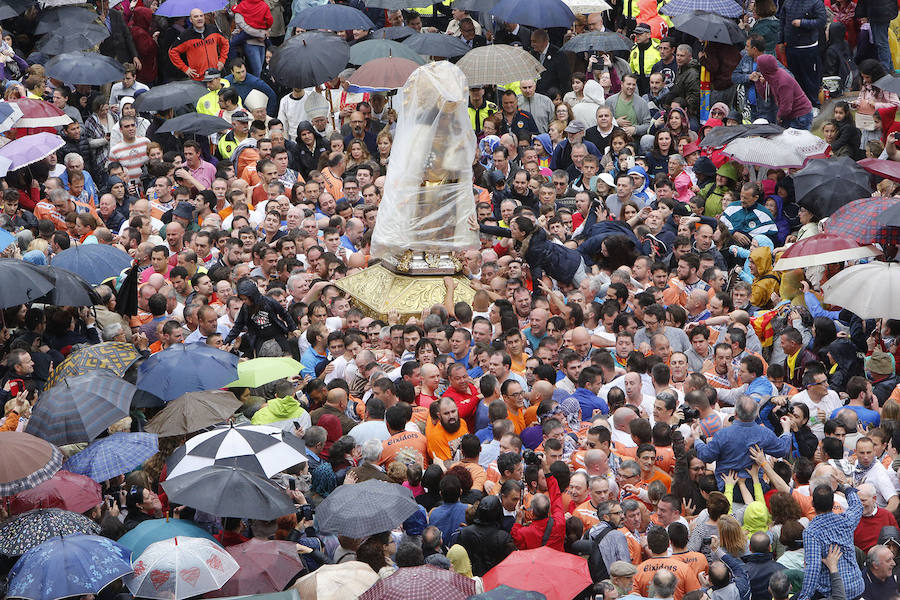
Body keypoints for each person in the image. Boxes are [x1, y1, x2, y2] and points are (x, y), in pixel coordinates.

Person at [797, 481, 864, 600]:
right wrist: (846, 489)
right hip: (855, 587)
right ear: (833, 503)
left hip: (831, 592)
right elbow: (857, 506)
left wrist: (805, 596)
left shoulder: (811, 532)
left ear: (812, 504)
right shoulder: (846, 521)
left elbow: (813, 567)